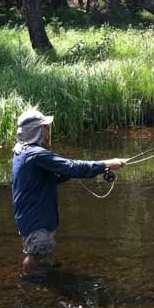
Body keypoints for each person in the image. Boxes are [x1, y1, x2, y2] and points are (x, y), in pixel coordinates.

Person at [12, 109, 127, 278]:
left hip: (35, 214)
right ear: (36, 130)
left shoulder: (21, 151)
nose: (48, 131)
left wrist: (95, 172)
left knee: (45, 251)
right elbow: (70, 166)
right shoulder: (35, 154)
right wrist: (105, 164)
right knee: (36, 255)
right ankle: (30, 285)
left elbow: (53, 177)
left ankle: (46, 279)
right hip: (36, 217)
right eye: (45, 127)